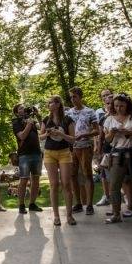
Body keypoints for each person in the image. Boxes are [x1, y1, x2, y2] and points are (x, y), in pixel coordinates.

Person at [103, 93, 132, 225]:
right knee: (114, 185)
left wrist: (128, 132)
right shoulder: (109, 120)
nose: (119, 108)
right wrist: (112, 132)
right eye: (116, 106)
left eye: (121, 105)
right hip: (117, 155)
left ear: (127, 105)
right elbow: (107, 140)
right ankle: (116, 214)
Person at [39, 95, 77, 226]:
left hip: (65, 153)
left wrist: (61, 134)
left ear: (58, 104)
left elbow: (73, 139)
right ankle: (56, 216)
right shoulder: (46, 119)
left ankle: (69, 215)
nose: (49, 105)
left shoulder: (68, 120)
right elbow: (41, 137)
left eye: (51, 103)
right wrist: (48, 134)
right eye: (48, 103)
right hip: (49, 154)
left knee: (66, 184)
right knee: (54, 184)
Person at [68, 87, 99, 215]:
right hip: (71, 148)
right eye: (71, 97)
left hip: (85, 146)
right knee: (73, 175)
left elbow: (97, 130)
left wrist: (85, 134)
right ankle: (78, 203)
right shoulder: (68, 113)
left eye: (74, 96)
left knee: (87, 173)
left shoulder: (90, 111)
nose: (72, 99)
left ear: (80, 97)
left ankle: (90, 205)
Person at [12, 103, 43, 214]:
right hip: (24, 155)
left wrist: (38, 115)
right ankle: (21, 205)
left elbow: (43, 128)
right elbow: (22, 136)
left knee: (36, 180)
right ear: (16, 112)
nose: (24, 108)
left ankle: (32, 204)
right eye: (20, 108)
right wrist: (29, 124)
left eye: (24, 107)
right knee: (24, 180)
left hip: (37, 153)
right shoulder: (16, 122)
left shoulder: (31, 120)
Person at [94, 89, 114, 207]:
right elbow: (98, 132)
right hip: (104, 145)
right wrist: (97, 146)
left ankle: (125, 196)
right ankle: (106, 196)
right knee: (103, 172)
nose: (106, 97)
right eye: (103, 96)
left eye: (108, 95)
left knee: (117, 172)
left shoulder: (118, 109)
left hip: (117, 145)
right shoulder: (99, 112)